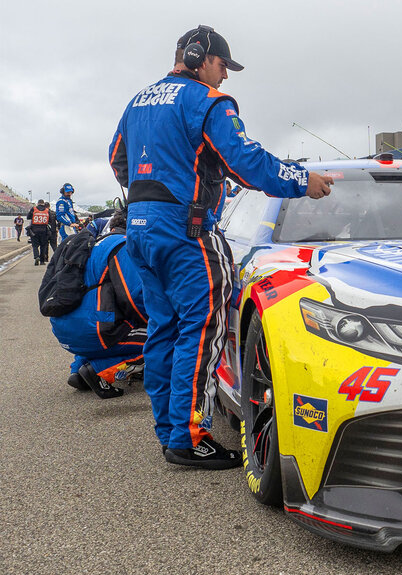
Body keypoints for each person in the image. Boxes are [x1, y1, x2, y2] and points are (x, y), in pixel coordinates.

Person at [109, 25, 332, 470]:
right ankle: (190, 437)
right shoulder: (207, 102)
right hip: (186, 233)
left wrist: (149, 195)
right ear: (197, 57)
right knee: (201, 328)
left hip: (140, 231)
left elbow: (118, 159)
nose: (225, 76)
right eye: (222, 65)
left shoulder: (137, 102)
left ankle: (171, 431)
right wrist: (301, 180)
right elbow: (245, 161)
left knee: (164, 329)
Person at [50, 209, 148, 399]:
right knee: (165, 336)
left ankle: (78, 370)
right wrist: (154, 319)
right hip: (96, 332)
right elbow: (134, 297)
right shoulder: (121, 245)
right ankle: (99, 371)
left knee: (97, 323)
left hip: (65, 332)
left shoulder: (92, 244)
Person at [26, 199, 50, 265]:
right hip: (44, 230)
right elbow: (50, 220)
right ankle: (42, 261)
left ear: (38, 203)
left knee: (35, 245)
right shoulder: (47, 210)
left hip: (34, 230)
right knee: (43, 246)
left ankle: (36, 257)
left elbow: (28, 217)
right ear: (43, 204)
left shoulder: (33, 209)